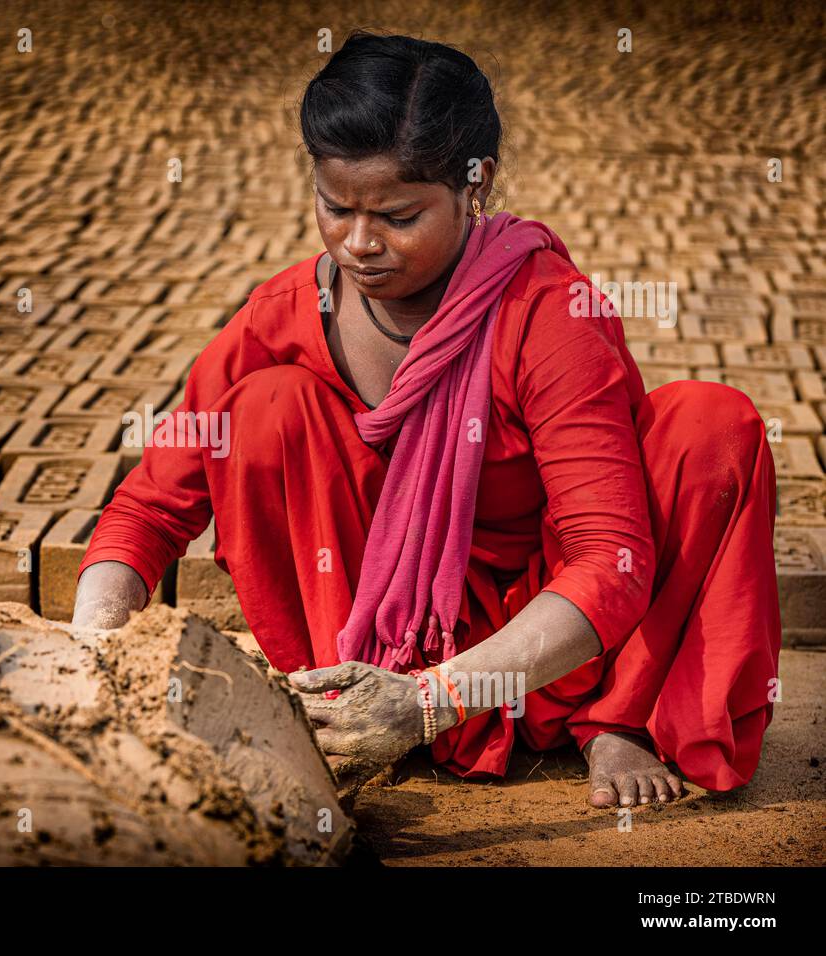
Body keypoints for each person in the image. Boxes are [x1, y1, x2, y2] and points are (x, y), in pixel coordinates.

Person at [72, 32, 781, 809]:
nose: (359, 243)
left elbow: (609, 559)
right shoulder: (284, 313)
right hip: (369, 651)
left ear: (475, 189)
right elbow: (147, 510)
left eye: (399, 216)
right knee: (264, 410)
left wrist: (428, 703)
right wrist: (92, 654)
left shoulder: (546, 313)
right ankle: (341, 710)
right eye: (334, 207)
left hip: (555, 655)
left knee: (709, 424)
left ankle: (619, 721)